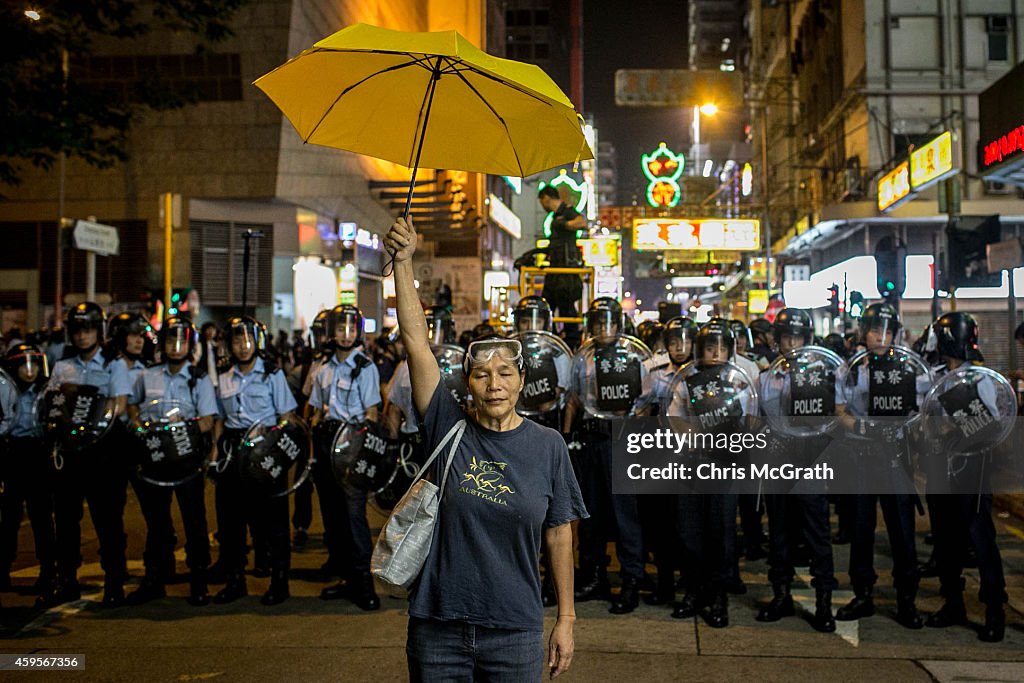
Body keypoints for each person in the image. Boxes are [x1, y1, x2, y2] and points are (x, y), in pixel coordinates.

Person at [386, 216, 585, 681]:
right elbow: (417, 343)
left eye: (505, 374)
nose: (494, 384)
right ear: (468, 383)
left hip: (514, 632)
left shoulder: (547, 446)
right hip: (437, 629)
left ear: (522, 381)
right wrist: (403, 261)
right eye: (482, 374)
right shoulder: (447, 427)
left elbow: (559, 536)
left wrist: (567, 620)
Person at [835, 303, 926, 629]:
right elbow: (839, 408)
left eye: (888, 330)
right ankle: (862, 594)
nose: (881, 337)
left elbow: (922, 406)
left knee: (902, 530)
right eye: (875, 330)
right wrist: (862, 428)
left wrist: (906, 428)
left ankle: (906, 600)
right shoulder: (852, 368)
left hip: (895, 457)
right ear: (865, 331)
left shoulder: (908, 367)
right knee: (860, 528)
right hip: (860, 455)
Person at [922, 312, 1007, 642]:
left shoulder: (979, 378)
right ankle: (952, 601)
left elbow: (991, 423)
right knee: (945, 537)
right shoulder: (935, 375)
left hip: (972, 466)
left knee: (980, 537)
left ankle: (994, 608)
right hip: (941, 465)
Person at [564, 297, 649, 615]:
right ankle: (593, 575)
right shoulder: (583, 357)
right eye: (598, 323)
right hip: (590, 437)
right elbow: (574, 398)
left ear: (620, 324)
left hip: (622, 438)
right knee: (591, 514)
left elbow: (646, 399)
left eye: (609, 322)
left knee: (625, 514)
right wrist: (568, 435)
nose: (604, 328)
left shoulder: (634, 355)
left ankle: (630, 580)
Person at [666, 320, 754, 628]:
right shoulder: (686, 381)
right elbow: (674, 417)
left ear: (730, 351)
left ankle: (718, 596)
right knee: (689, 531)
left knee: (721, 532)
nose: (715, 354)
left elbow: (752, 422)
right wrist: (695, 436)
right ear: (698, 350)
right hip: (692, 463)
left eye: (721, 348)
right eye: (708, 348)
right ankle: (693, 590)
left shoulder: (740, 383)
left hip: (725, 465)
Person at [755, 308, 838, 632]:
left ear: (808, 339)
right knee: (779, 532)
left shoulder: (824, 373)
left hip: (811, 458)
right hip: (777, 458)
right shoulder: (765, 378)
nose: (792, 344)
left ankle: (824, 601)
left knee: (817, 531)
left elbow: (838, 413)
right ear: (777, 341)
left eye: (798, 337)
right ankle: (781, 593)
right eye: (786, 337)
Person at [44, 302, 132, 607]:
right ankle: (67, 580)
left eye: (89, 330)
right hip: (69, 451)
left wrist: (88, 408)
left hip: (103, 450)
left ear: (100, 331)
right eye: (78, 330)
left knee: (108, 520)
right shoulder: (63, 362)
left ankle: (114, 582)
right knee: (67, 520)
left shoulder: (113, 363)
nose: (83, 337)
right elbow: (52, 403)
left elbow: (119, 403)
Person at [126, 316, 218, 606]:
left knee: (194, 519)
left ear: (190, 345)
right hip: (154, 457)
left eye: (181, 341)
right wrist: (140, 425)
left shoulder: (199, 378)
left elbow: (207, 420)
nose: (175, 347)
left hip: (186, 458)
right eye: (169, 340)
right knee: (156, 520)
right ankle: (155, 577)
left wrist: (182, 429)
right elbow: (132, 405)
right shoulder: (147, 375)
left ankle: (198, 578)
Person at [209, 316, 298, 606]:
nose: (243, 346)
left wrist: (275, 446)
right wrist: (214, 456)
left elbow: (286, 417)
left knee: (273, 520)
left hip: (266, 452)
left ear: (257, 342)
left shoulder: (272, 374)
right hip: (233, 451)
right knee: (231, 519)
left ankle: (279, 581)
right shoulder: (223, 376)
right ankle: (236, 580)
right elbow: (220, 420)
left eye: (247, 340)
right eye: (236, 340)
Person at [310, 304, 382, 611]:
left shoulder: (366, 368)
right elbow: (316, 411)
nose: (345, 334)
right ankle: (343, 575)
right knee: (333, 513)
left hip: (352, 443)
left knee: (354, 514)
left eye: (352, 328)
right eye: (340, 328)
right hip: (327, 440)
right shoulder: (323, 368)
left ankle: (363, 582)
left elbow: (372, 412)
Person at [0, 344, 56, 600]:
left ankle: (48, 570)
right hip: (12, 453)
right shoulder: (5, 391)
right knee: (9, 517)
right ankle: (3, 568)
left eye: (35, 365)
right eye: (25, 365)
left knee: (41, 515)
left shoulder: (45, 392)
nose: (31, 371)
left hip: (38, 453)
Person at [538, 185, 586, 345]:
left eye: (542, 202)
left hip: (565, 270)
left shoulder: (565, 211)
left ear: (546, 198)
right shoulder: (555, 215)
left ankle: (571, 340)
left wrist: (565, 224)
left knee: (565, 305)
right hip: (555, 268)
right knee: (547, 303)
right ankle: (550, 336)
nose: (542, 206)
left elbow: (581, 222)